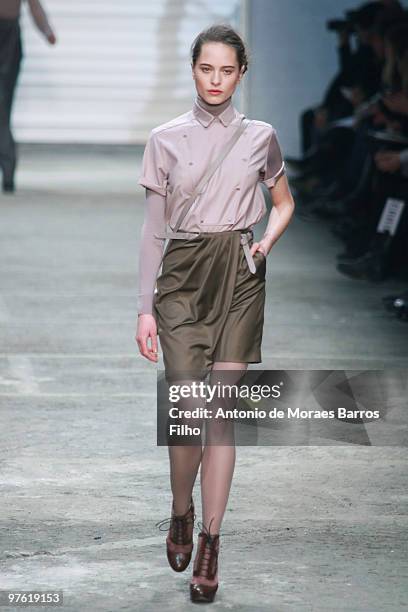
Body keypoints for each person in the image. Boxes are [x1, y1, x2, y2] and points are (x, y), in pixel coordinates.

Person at [135, 24, 295, 604]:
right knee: (185, 412)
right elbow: (153, 232)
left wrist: (263, 244)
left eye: (227, 71)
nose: (216, 80)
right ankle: (181, 509)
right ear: (194, 69)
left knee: (220, 416)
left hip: (239, 270)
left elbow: (283, 203)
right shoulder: (166, 138)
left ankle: (210, 540)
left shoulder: (262, 137)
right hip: (181, 274)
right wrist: (143, 310)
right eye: (207, 69)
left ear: (241, 74)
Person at [0, 0, 56, 193]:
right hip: (9, 36)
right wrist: (46, 31)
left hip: (8, 38)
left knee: (3, 107)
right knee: (3, 107)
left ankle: (8, 171)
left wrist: (47, 30)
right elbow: (35, 6)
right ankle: (8, 172)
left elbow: (34, 5)